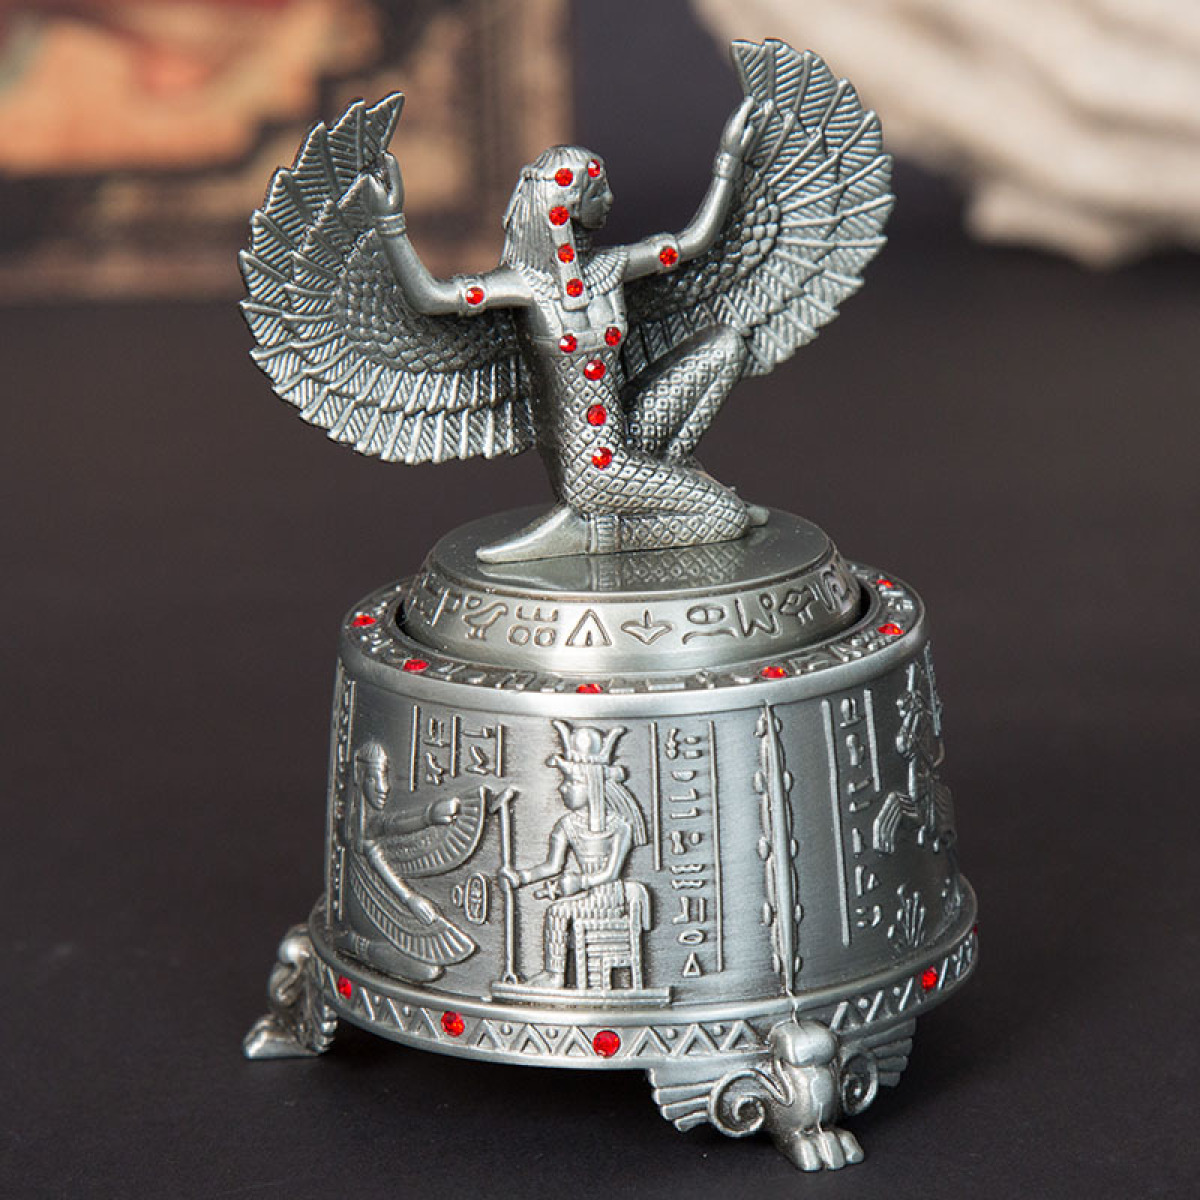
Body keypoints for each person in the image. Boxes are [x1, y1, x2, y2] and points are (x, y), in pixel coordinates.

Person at [362, 100, 765, 562]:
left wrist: (727, 161)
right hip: (594, 470)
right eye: (599, 192)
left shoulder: (611, 267)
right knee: (727, 518)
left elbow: (692, 242)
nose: (610, 199)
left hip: (630, 436)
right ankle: (599, 529)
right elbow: (430, 298)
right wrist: (390, 223)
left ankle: (672, 488)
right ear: (567, 208)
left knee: (726, 344)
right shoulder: (523, 287)